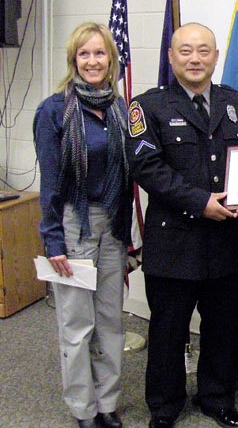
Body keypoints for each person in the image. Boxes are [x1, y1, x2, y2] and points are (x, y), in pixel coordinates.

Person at [125, 22, 238, 428]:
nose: (195, 58)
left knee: (224, 327)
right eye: (185, 51)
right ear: (171, 57)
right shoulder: (146, 106)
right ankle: (165, 407)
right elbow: (146, 167)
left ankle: (216, 397)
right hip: (175, 242)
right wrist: (200, 203)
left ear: (216, 57)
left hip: (229, 240)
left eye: (204, 50)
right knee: (168, 331)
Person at [33, 22, 132, 428]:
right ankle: (83, 409)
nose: (92, 61)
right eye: (84, 54)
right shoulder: (54, 110)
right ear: (73, 60)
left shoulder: (120, 108)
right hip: (74, 222)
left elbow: (127, 177)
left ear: (111, 59)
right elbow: (51, 182)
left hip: (113, 224)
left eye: (100, 53)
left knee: (110, 321)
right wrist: (52, 239)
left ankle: (107, 404)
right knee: (77, 325)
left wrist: (130, 235)